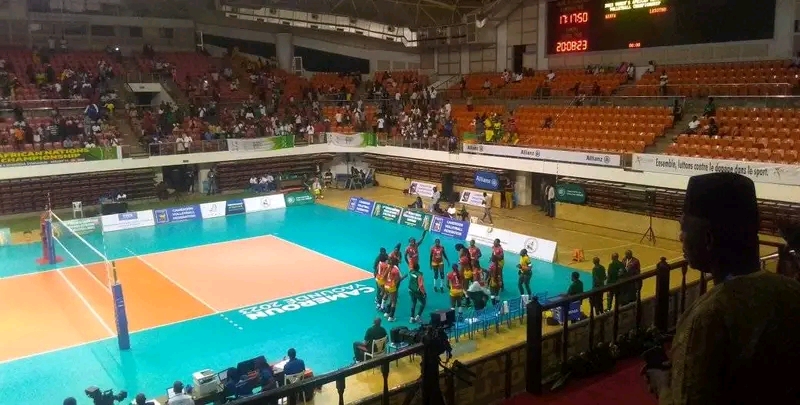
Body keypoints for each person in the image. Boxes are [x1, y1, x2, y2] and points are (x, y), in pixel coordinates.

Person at [643, 172, 800, 404]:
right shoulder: (792, 291)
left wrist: (662, 385)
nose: (680, 236)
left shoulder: (708, 317)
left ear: (708, 239)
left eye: (684, 228)